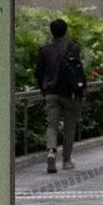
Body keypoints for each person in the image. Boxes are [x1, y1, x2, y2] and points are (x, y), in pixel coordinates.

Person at [36, 18, 83, 173]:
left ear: (51, 31)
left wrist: (43, 90)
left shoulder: (44, 50)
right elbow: (78, 71)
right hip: (69, 93)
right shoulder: (73, 48)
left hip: (50, 92)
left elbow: (39, 73)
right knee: (70, 125)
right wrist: (81, 91)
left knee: (51, 125)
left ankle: (51, 151)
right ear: (66, 30)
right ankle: (67, 160)